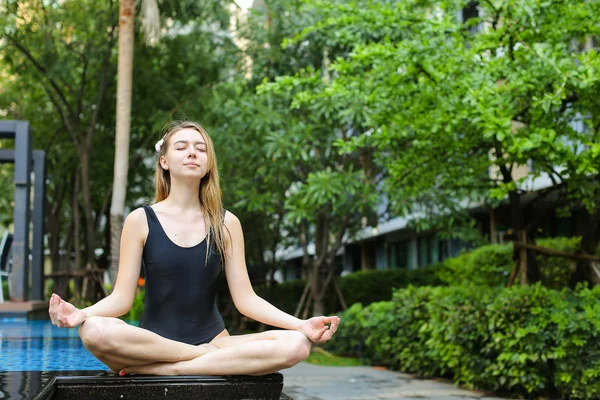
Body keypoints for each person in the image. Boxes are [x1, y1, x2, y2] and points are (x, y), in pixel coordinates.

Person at [48, 121, 340, 376]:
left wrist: (301, 324)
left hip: (214, 339)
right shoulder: (140, 220)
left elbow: (246, 300)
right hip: (151, 343)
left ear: (208, 163)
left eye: (201, 148)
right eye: (182, 147)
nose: (192, 152)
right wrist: (81, 314)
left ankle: (170, 369)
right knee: (94, 330)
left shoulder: (227, 223)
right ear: (164, 161)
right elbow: (122, 300)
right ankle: (204, 361)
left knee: (297, 345)